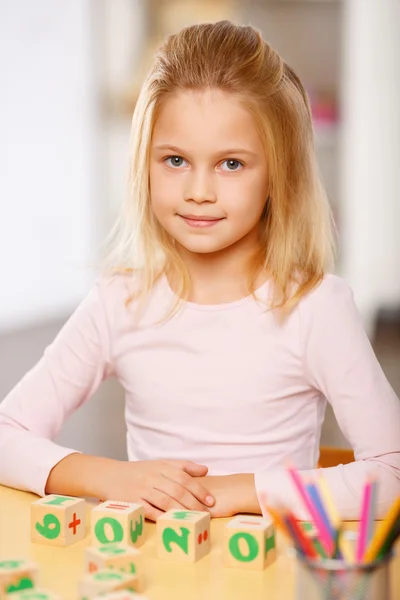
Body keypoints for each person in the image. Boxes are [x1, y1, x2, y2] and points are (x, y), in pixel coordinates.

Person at [0, 21, 399, 523]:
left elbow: (392, 473)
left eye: (231, 164)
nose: (199, 190)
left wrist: (234, 492)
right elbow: (6, 435)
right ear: (143, 164)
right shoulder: (119, 302)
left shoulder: (316, 308)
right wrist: (112, 477)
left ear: (279, 173)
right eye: (175, 160)